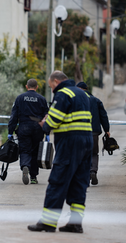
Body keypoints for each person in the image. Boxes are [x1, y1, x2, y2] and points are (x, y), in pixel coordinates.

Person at [28, 71, 93, 233]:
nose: (52, 90)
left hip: (70, 142)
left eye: (51, 87)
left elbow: (54, 118)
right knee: (79, 183)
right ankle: (76, 223)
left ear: (56, 81)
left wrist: (45, 124)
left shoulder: (63, 94)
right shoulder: (82, 93)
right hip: (87, 141)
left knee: (58, 180)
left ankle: (48, 222)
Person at [8, 79, 48, 185]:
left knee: (25, 150)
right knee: (35, 151)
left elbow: (14, 116)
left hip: (24, 127)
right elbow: (46, 116)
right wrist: (47, 132)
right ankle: (33, 177)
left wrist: (10, 131)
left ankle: (25, 165)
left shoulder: (20, 98)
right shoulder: (42, 99)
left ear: (27, 86)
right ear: (37, 87)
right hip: (38, 128)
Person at [76, 81, 110, 186]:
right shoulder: (96, 100)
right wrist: (107, 130)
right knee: (94, 153)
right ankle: (93, 171)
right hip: (94, 132)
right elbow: (103, 116)